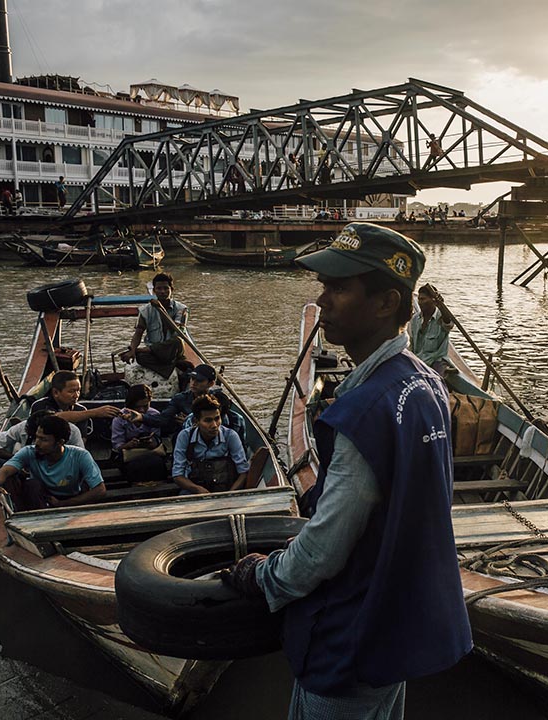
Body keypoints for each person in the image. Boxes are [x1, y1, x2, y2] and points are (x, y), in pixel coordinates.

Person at [222, 222, 472, 719]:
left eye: (339, 287)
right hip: (400, 622)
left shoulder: (365, 412)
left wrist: (263, 576)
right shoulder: (425, 385)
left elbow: (322, 550)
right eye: (324, 286)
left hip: (352, 633)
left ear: (385, 304)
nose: (324, 299)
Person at [0, 414, 106, 512]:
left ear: (60, 442)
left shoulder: (80, 455)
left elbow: (100, 490)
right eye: (37, 437)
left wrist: (62, 504)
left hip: (72, 498)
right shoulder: (29, 452)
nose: (37, 443)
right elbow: (4, 471)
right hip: (41, 497)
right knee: (29, 484)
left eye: (44, 440)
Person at [171, 394, 249, 494]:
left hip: (225, 489)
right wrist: (197, 489)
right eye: (208, 420)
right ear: (196, 421)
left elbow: (243, 472)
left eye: (217, 418)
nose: (214, 425)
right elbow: (178, 475)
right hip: (194, 490)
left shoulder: (230, 436)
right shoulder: (185, 436)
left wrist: (230, 495)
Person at [121, 272, 189, 377]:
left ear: (172, 290)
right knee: (140, 356)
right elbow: (138, 332)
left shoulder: (181, 309)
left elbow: (177, 330)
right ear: (154, 291)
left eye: (166, 288)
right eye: (159, 288)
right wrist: (133, 349)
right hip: (154, 353)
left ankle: (168, 363)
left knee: (178, 341)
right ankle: (169, 367)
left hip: (173, 351)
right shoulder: (145, 310)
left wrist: (161, 309)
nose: (162, 292)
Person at [30, 370, 121, 437]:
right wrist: (94, 413)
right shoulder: (40, 405)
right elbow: (53, 419)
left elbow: (82, 439)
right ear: (56, 393)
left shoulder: (80, 410)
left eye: (78, 391)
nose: (76, 395)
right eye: (71, 391)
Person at [144, 363, 217, 438]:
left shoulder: (218, 399)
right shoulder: (180, 399)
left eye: (199, 380)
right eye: (192, 378)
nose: (193, 383)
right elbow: (163, 418)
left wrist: (189, 421)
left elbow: (221, 424)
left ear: (211, 383)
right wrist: (142, 417)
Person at [0, 410, 83, 462]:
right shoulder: (23, 427)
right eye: (35, 438)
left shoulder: (72, 432)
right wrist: (13, 458)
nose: (37, 443)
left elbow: (79, 458)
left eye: (43, 439)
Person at [409, 283, 453, 375]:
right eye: (419, 299)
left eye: (423, 299)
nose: (420, 303)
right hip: (419, 360)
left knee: (435, 381)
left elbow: (448, 323)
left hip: (436, 361)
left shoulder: (441, 316)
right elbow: (412, 345)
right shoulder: (415, 319)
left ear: (433, 301)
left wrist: (441, 306)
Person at [111, 384, 161, 453]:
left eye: (145, 406)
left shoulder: (154, 415)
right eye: (137, 407)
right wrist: (128, 445)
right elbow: (117, 446)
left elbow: (157, 438)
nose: (142, 410)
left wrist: (151, 442)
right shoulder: (120, 418)